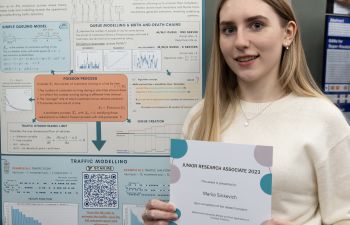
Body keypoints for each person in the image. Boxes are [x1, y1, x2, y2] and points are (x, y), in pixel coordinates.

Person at [142, 0, 350, 224]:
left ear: (288, 33)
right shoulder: (200, 116)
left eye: (256, 25)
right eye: (229, 30)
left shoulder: (323, 119)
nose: (240, 41)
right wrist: (164, 220)